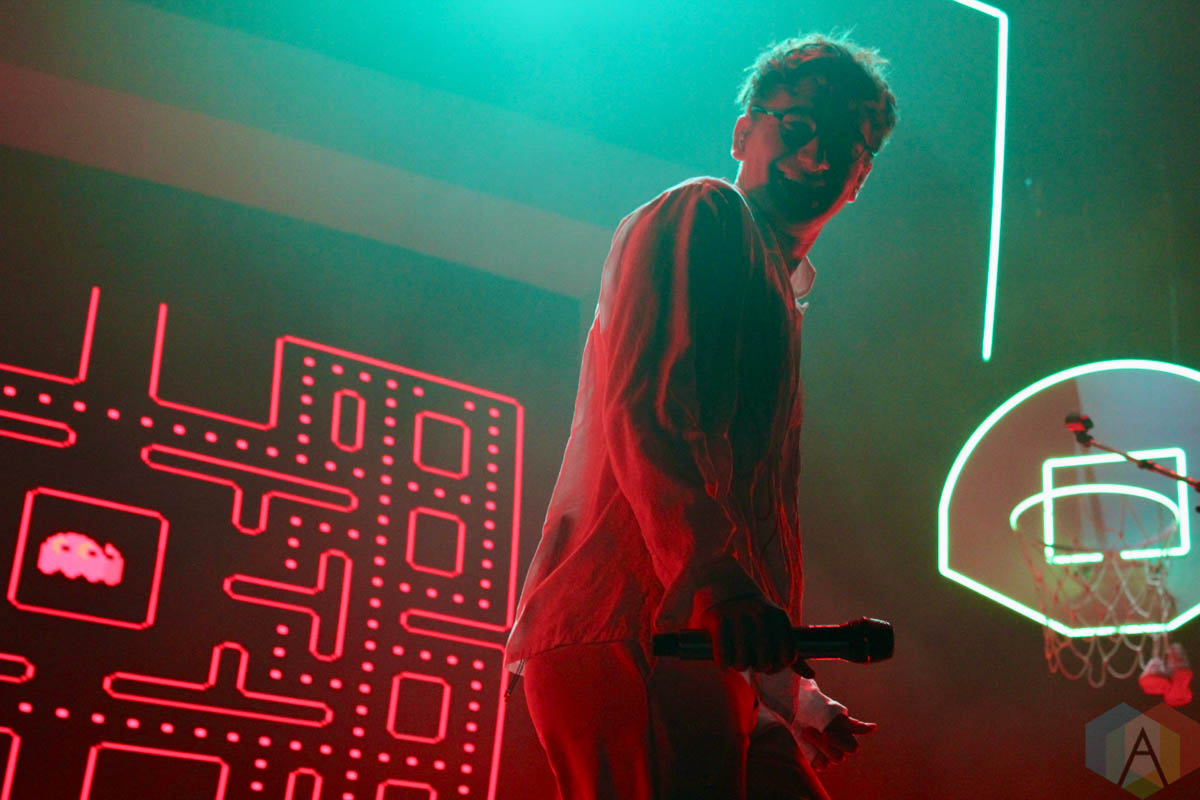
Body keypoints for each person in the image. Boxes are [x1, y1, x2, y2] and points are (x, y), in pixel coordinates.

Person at [505, 32, 898, 799]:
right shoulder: (707, 213)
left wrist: (791, 691)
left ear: (861, 178)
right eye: (796, 125)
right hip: (639, 626)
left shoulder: (779, 288)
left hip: (703, 644)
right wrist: (715, 582)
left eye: (844, 146)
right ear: (744, 132)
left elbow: (741, 505)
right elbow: (651, 410)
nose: (816, 155)